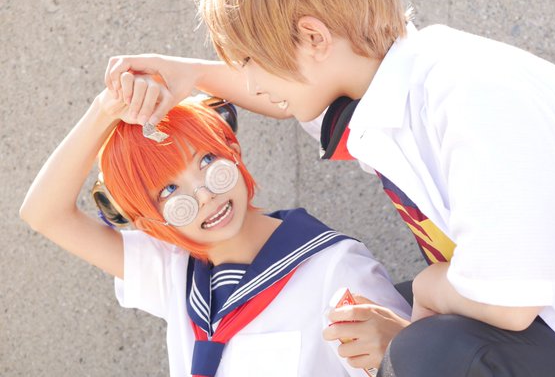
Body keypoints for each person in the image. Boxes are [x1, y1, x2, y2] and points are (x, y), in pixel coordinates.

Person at [104, 0, 555, 377]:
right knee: (371, 320)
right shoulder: (388, 96)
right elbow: (285, 98)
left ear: (313, 38)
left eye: (251, 61)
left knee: (428, 351)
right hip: (554, 328)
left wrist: (422, 300)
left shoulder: (471, 94)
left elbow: (507, 299)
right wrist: (188, 74)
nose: (249, 84)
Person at [19, 73, 411, 377]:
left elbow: (407, 364)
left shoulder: (335, 269)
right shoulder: (174, 270)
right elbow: (45, 213)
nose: (204, 194)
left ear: (232, 151)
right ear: (149, 222)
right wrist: (106, 109)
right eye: (169, 190)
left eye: (206, 161)